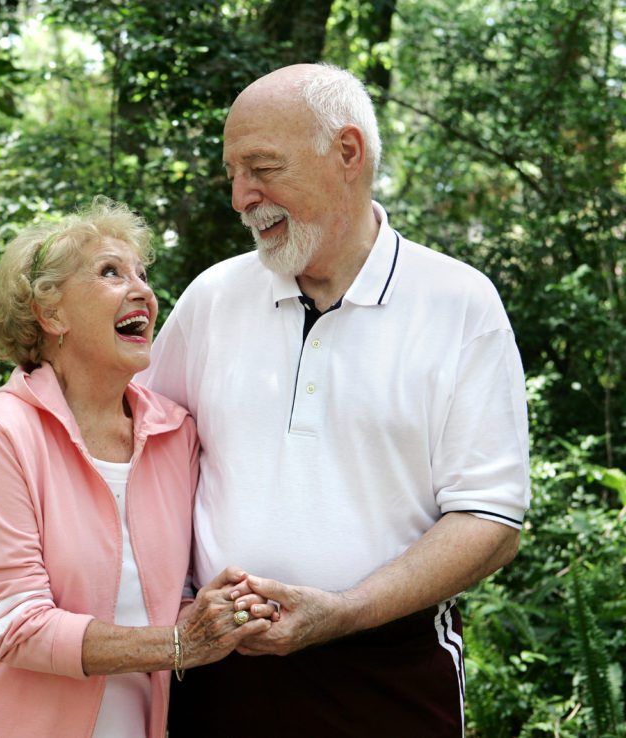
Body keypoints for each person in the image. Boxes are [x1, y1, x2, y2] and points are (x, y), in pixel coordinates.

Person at [141, 63, 530, 736]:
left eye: (263, 168)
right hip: (217, 669)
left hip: (390, 671)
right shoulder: (213, 299)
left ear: (347, 153)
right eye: (233, 173)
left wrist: (343, 609)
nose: (241, 197)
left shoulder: (459, 303)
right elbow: (134, 456)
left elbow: (489, 521)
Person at [0, 198, 272, 738]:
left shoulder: (175, 434)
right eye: (110, 272)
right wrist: (178, 645)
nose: (142, 290)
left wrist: (226, 610)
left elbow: (173, 592)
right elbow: (17, 628)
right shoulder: (5, 432)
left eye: (143, 275)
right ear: (50, 314)